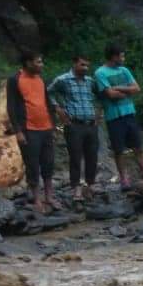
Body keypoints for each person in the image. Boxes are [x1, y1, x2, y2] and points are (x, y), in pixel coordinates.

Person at [94, 44, 143, 190]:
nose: (123, 58)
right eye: (121, 56)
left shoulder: (124, 70)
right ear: (114, 57)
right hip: (113, 116)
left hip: (129, 113)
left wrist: (118, 88)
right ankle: (123, 179)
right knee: (118, 149)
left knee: (138, 147)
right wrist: (124, 92)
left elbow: (137, 88)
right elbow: (110, 95)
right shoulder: (100, 73)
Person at [6, 51, 57, 213]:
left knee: (48, 162)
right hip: (29, 129)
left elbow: (47, 102)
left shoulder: (41, 79)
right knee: (32, 164)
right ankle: (36, 198)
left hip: (46, 128)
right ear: (28, 63)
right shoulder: (15, 80)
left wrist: (53, 125)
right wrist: (18, 131)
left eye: (41, 62)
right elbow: (11, 106)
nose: (41, 65)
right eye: (38, 62)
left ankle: (49, 196)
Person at [48, 52, 100, 202]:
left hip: (90, 124)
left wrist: (98, 113)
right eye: (82, 64)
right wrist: (57, 108)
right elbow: (49, 92)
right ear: (74, 64)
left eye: (87, 65)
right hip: (74, 124)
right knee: (75, 156)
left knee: (92, 156)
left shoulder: (90, 81)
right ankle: (76, 188)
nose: (85, 68)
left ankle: (90, 185)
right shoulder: (63, 80)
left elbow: (100, 96)